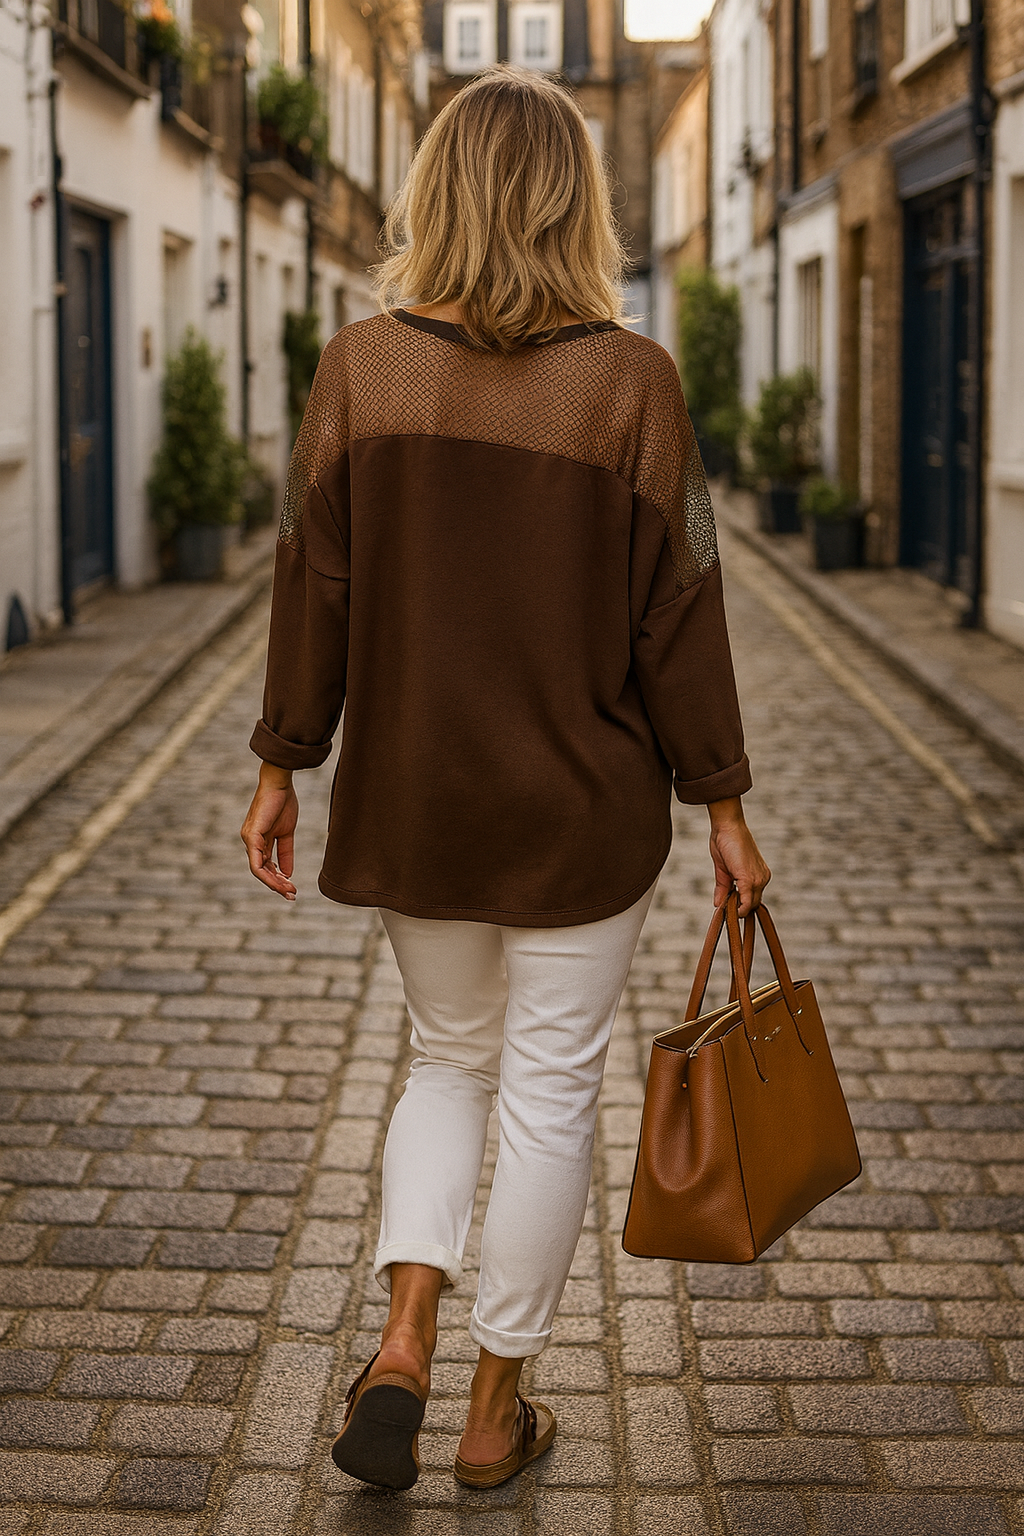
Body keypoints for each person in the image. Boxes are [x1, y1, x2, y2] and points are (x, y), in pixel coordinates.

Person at [240, 64, 770, 1494]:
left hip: (419, 798)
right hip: (582, 814)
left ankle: (402, 1335)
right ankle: (494, 1411)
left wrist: (286, 760)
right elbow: (686, 611)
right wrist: (723, 802)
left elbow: (313, 581)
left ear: (438, 192)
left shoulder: (360, 367)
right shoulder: (634, 385)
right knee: (547, 1091)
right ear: (576, 201)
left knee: (446, 1062)